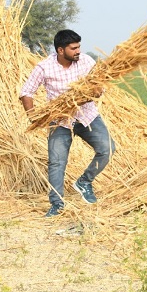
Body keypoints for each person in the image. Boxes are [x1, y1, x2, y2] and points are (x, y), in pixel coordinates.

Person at [19, 29, 116, 217]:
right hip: (59, 120)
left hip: (86, 115)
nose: (78, 51)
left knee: (108, 148)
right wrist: (33, 117)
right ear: (60, 50)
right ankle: (57, 205)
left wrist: (95, 92)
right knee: (56, 162)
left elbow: (99, 86)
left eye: (79, 46)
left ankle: (84, 182)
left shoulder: (86, 61)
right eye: (74, 48)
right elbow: (26, 92)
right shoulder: (44, 67)